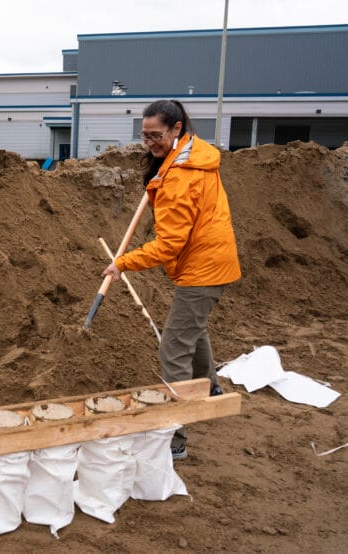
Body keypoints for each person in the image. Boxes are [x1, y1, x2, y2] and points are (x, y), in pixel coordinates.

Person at [101, 99, 241, 461]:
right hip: (211, 258)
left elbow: (168, 244)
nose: (149, 142)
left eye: (156, 135)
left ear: (177, 129)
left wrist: (123, 264)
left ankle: (174, 436)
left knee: (174, 348)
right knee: (193, 329)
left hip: (203, 266)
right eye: (144, 136)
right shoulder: (191, 156)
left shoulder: (180, 175)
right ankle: (209, 388)